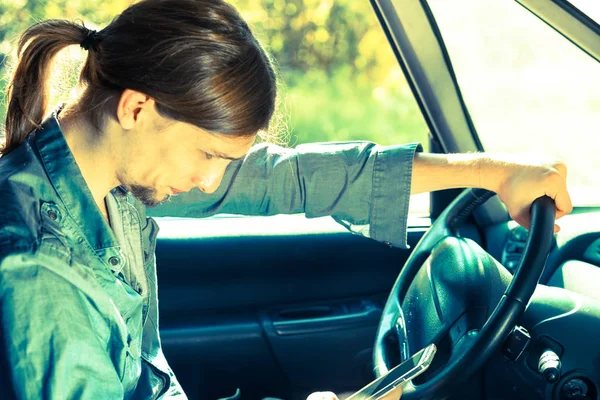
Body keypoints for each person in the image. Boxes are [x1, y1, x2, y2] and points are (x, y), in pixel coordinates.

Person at [0, 0, 572, 399]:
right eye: (207, 156)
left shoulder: (110, 170)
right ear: (136, 108)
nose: (208, 182)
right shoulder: (39, 267)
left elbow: (292, 177)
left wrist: (498, 172)